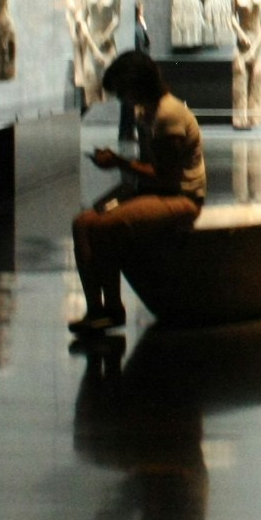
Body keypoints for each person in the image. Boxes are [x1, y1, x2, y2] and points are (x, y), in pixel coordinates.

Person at [72, 50, 205, 330]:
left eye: (122, 91)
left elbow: (166, 178)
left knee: (104, 227)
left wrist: (119, 162)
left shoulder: (168, 116)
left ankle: (112, 308)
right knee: (83, 224)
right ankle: (95, 308)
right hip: (157, 190)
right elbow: (149, 168)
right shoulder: (148, 113)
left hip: (182, 198)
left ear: (136, 86)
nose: (121, 98)